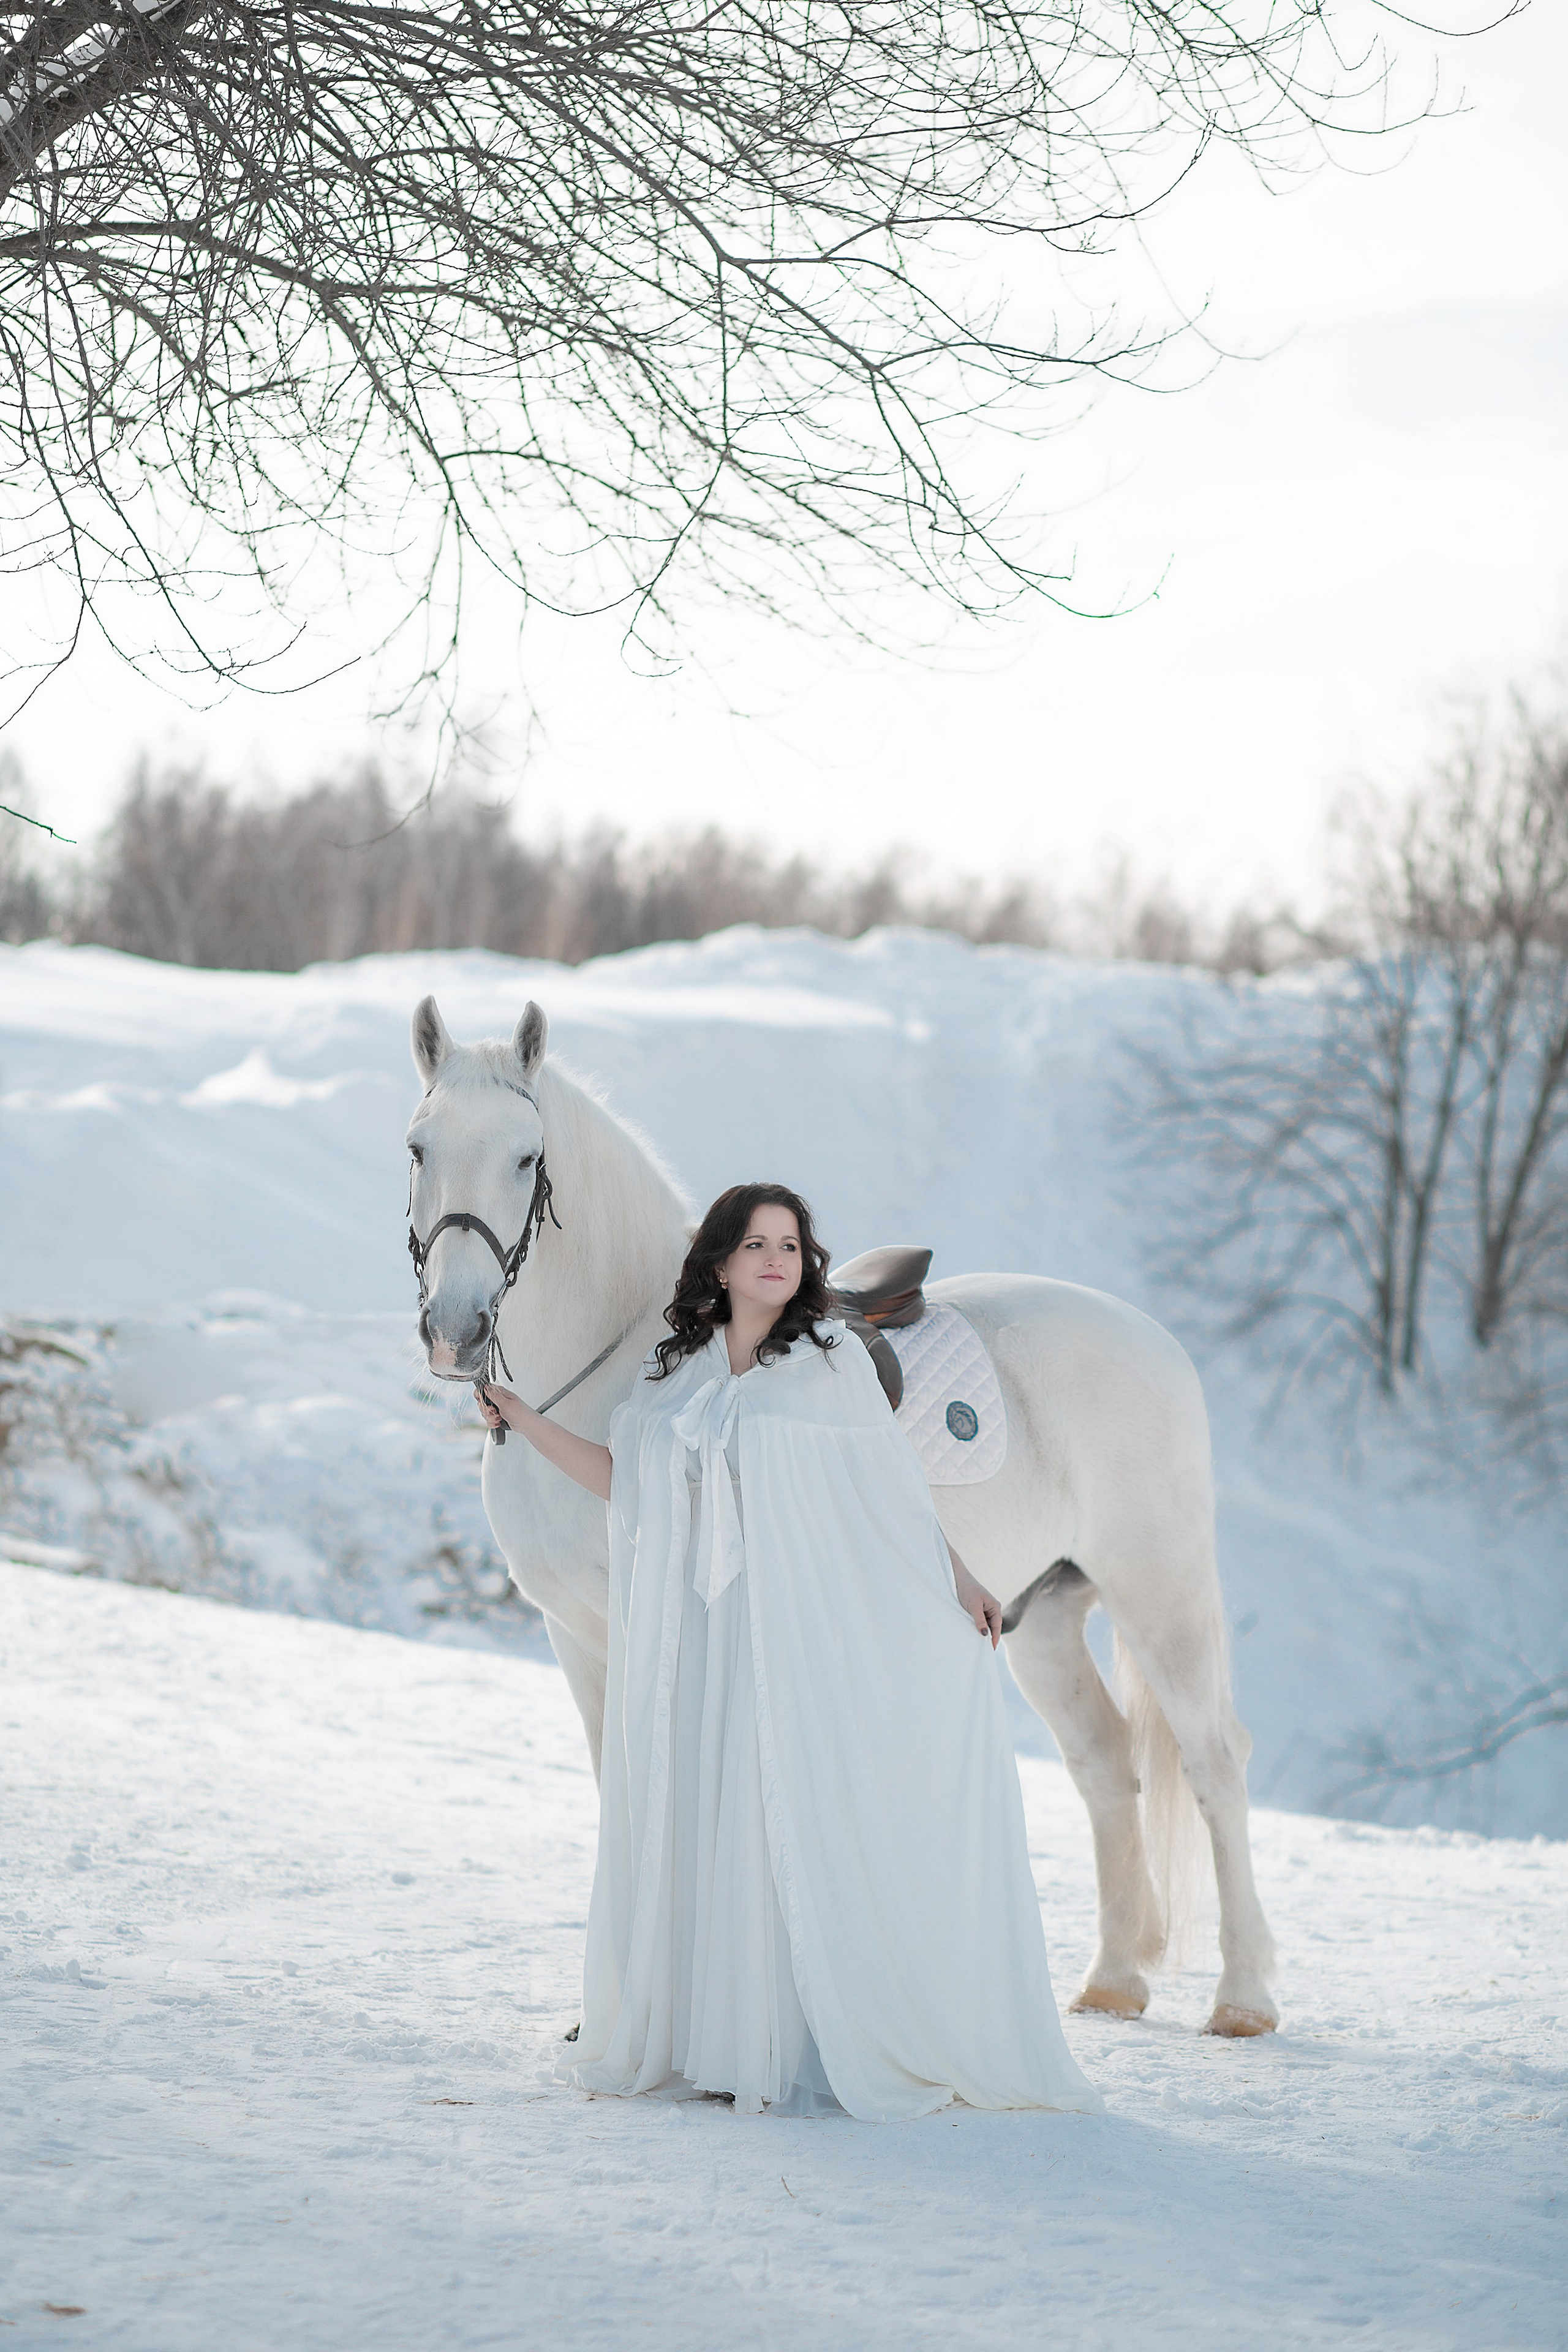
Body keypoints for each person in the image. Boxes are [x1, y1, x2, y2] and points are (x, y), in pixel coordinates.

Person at [478, 1182, 1099, 2123]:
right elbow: (626, 1482)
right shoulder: (673, 1372)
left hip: (793, 1627)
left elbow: (889, 1489)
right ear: (719, 1261)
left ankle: (802, 2031)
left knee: (786, 1809)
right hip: (707, 1633)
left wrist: (960, 1577)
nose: (778, 1258)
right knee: (718, 1816)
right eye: (757, 1243)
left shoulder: (830, 1360)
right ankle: (723, 2034)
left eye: (793, 1245)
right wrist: (524, 1421)